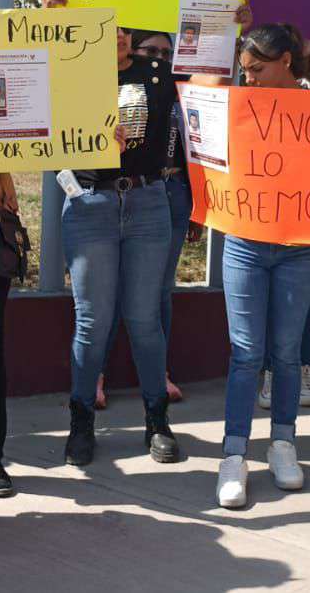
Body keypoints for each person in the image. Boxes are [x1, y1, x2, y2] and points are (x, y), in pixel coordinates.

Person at [203, 24, 310, 508]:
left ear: (287, 61)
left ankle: (283, 444)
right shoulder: (235, 103)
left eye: (257, 69)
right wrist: (229, 29)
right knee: (247, 352)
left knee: (288, 353)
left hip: (300, 245)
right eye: (244, 69)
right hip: (245, 241)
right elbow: (203, 94)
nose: (248, 78)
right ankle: (234, 455)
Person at [39, 0, 181, 467]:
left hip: (147, 204)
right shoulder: (69, 70)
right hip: (89, 204)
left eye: (123, 27)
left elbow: (211, 67)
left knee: (144, 319)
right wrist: (54, 19)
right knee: (92, 321)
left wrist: (232, 21)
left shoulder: (159, 73)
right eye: (104, 26)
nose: (116, 35)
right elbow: (33, 64)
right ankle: (81, 421)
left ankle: (156, 421)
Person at [97, 30, 191, 410]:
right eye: (151, 50)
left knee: (157, 292)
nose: (160, 58)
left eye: (167, 53)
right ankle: (96, 376)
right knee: (103, 298)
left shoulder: (168, 83)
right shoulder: (100, 78)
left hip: (166, 192)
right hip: (107, 195)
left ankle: (157, 375)